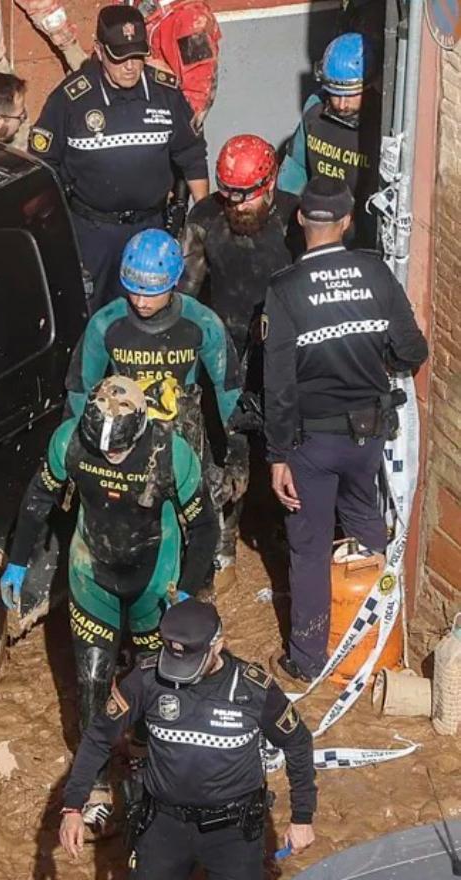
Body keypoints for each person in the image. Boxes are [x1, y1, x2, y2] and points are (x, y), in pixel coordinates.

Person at [2, 377, 217, 823]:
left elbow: (205, 528)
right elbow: (39, 496)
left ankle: (142, 753)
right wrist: (17, 560)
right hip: (92, 573)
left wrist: (188, 593)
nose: (111, 457)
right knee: (93, 678)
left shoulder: (172, 454)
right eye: (104, 453)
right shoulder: (70, 441)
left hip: (155, 579)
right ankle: (96, 780)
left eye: (118, 451)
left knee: (153, 678)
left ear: (140, 427)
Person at [57, 600, 317, 880]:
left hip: (233, 831)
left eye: (190, 660)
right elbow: (100, 735)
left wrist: (302, 817)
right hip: (163, 823)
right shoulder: (148, 678)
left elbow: (298, 742)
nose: (179, 672)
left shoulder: (254, 690)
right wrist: (73, 804)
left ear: (218, 644)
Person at [261, 179, 428, 682]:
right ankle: (379, 643)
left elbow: (279, 384)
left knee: (309, 546)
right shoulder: (375, 273)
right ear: (348, 221)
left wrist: (277, 455)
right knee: (365, 524)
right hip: (369, 437)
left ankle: (308, 660)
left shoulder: (285, 290)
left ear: (299, 221)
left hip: (312, 443)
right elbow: (413, 351)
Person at [29, 5, 209, 312]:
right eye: (119, 56)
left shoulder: (165, 92)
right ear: (99, 50)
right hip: (92, 234)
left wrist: (201, 223)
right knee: (90, 313)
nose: (130, 66)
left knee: (151, 314)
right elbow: (43, 168)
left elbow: (192, 156)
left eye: (137, 55)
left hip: (151, 229)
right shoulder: (69, 100)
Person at [179, 134, 300, 588]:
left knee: (289, 448)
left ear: (269, 186)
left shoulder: (295, 219)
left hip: (283, 353)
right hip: (225, 350)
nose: (237, 208)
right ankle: (223, 543)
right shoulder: (206, 218)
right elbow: (185, 291)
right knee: (225, 450)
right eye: (229, 197)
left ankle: (287, 538)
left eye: (246, 199)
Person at [66, 229, 242, 536]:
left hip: (183, 439)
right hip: (123, 441)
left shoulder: (201, 323)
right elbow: (80, 389)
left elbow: (228, 388)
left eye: (151, 292)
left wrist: (238, 450)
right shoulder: (107, 324)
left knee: (201, 520)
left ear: (174, 282)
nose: (141, 301)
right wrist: (73, 449)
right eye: (133, 290)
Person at [276, 33, 377, 237]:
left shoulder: (379, 125)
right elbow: (296, 166)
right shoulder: (314, 110)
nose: (341, 104)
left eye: (350, 95)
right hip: (317, 226)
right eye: (334, 94)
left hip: (361, 231)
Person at [135, 0, 222, 127]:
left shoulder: (190, 20)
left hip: (166, 121)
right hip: (150, 109)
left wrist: (179, 131)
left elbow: (199, 93)